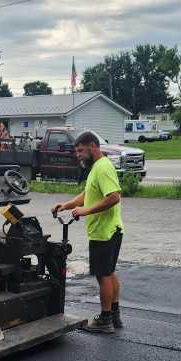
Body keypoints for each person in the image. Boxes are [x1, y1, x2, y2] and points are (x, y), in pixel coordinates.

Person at [50, 131, 124, 333]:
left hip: (104, 232)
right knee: (109, 273)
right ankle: (115, 316)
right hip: (111, 230)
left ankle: (105, 319)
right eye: (77, 152)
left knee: (103, 276)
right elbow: (88, 194)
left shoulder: (103, 168)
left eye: (81, 150)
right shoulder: (97, 167)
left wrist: (86, 211)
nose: (78, 155)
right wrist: (66, 205)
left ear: (93, 146)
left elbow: (114, 197)